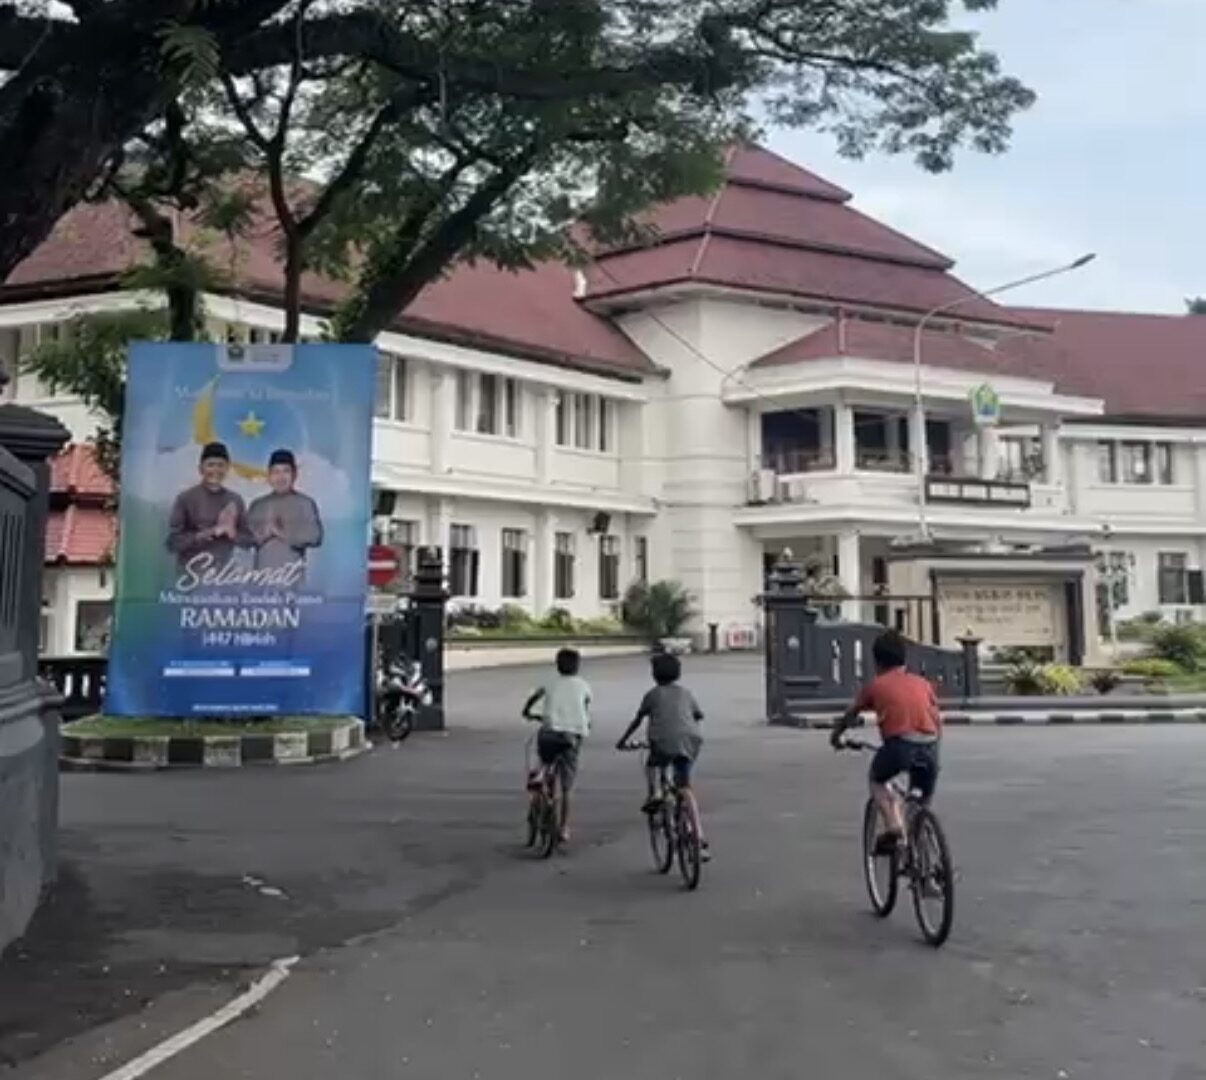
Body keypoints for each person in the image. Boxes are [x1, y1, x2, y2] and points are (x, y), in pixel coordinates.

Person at [830, 629, 942, 855]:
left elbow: (851, 714)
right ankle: (923, 849)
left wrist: (836, 735)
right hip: (930, 745)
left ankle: (894, 826)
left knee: (877, 779)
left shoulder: (876, 686)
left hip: (899, 746)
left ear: (877, 662)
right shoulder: (922, 683)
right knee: (922, 798)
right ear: (904, 659)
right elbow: (936, 718)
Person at [617, 652, 709, 861]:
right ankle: (698, 836)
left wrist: (622, 741)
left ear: (654, 674)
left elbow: (638, 720)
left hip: (662, 742)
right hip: (690, 741)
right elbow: (698, 715)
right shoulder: (686, 693)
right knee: (685, 786)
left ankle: (656, 794)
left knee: (652, 763)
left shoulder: (652, 695)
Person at [521, 648, 592, 844]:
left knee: (544, 757)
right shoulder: (583, 685)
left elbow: (534, 698)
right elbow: (585, 706)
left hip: (550, 732)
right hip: (572, 736)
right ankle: (564, 827)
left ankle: (540, 775)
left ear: (557, 665)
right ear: (577, 666)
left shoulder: (550, 682)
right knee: (567, 786)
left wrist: (527, 712)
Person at [166, 442, 251, 568]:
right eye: (211, 465)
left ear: (227, 469)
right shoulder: (185, 498)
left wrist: (232, 533)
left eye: (220, 465)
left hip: (224, 575)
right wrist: (206, 533)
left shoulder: (235, 500)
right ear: (201, 469)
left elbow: (249, 541)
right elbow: (172, 544)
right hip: (190, 575)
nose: (216, 470)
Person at [246, 449, 324, 577]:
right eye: (276, 472)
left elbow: (315, 537)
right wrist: (265, 532)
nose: (280, 477)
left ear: (294, 474)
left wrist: (281, 533)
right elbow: (245, 539)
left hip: (292, 580)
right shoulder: (258, 505)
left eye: (286, 471)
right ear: (269, 475)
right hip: (261, 580)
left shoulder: (305, 503)